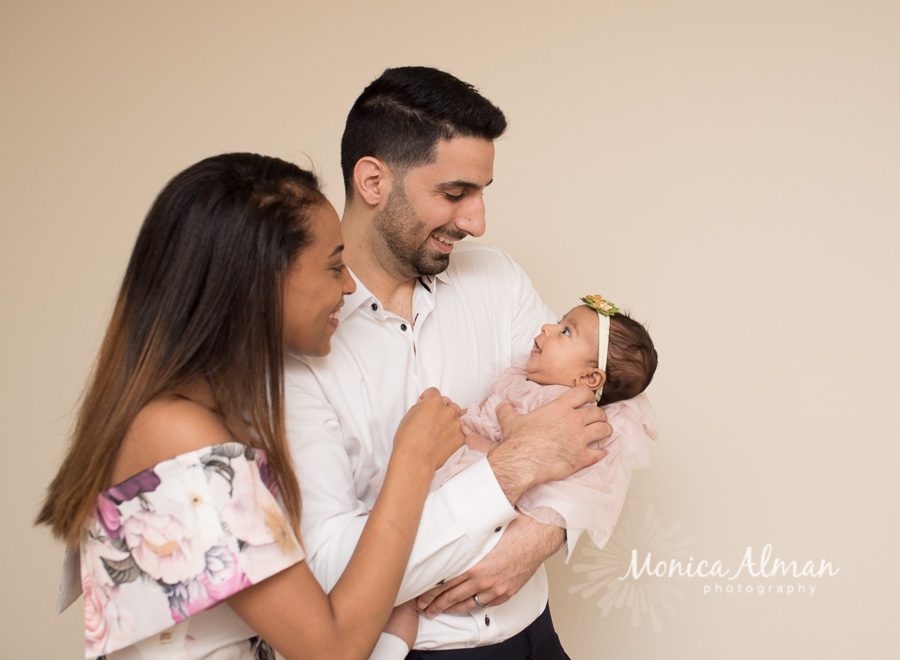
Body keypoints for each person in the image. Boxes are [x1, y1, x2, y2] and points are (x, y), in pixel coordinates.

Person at [35, 153, 476, 659]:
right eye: (334, 266)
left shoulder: (203, 416)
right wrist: (413, 461)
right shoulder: (177, 434)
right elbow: (330, 651)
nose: (349, 285)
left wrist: (395, 632)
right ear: (259, 283)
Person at [284, 67, 642, 659]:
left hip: (535, 635)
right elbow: (329, 568)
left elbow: (612, 406)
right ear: (373, 181)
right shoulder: (298, 344)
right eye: (455, 194)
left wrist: (540, 533)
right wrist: (513, 466)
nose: (477, 221)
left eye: (481, 193)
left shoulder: (496, 278)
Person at [372, 295, 659, 569]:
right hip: (460, 459)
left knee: (421, 534)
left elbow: (530, 462)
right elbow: (486, 412)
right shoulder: (522, 381)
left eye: (566, 332)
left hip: (478, 479)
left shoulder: (562, 408)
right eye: (558, 322)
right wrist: (456, 415)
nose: (547, 327)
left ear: (589, 377)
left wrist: (469, 436)